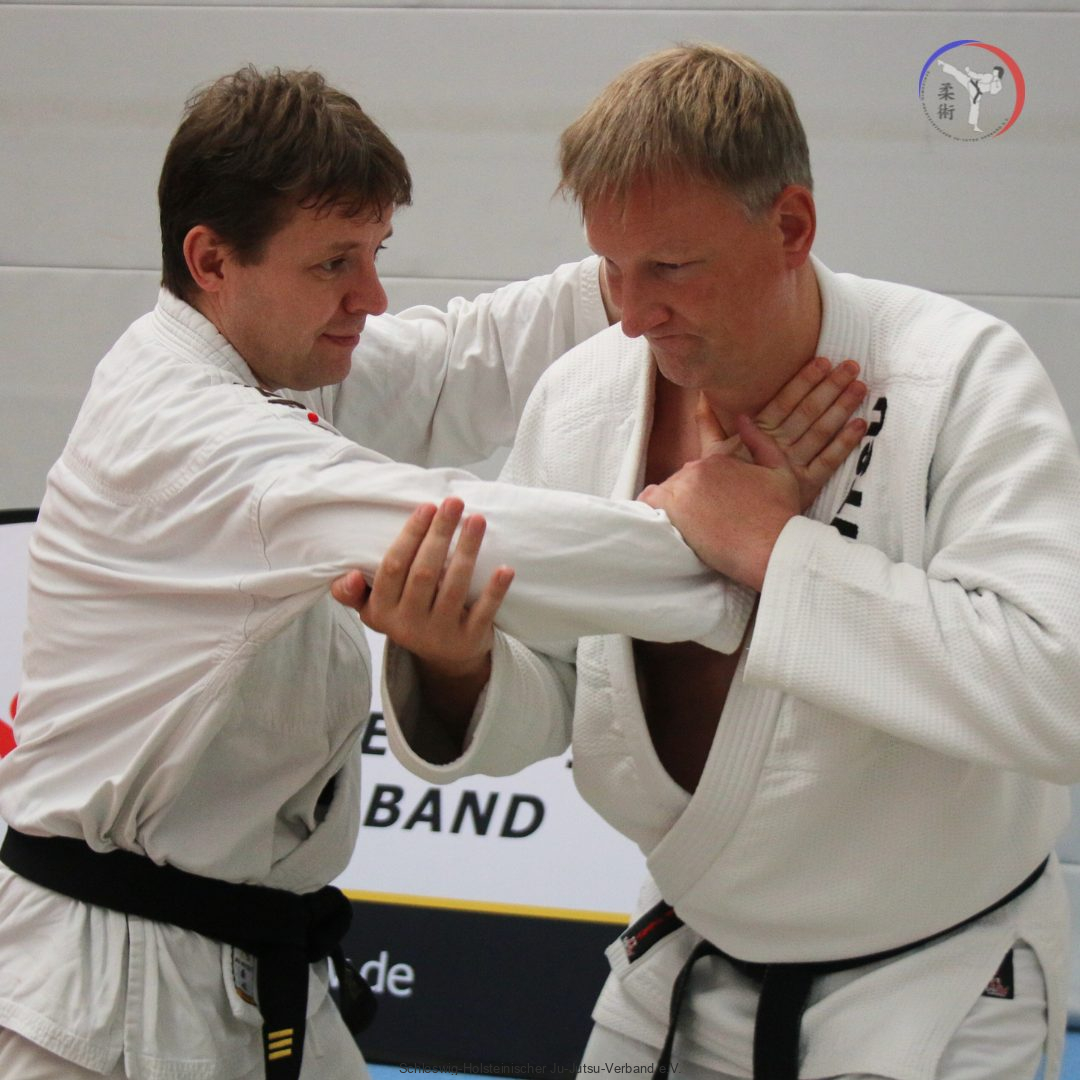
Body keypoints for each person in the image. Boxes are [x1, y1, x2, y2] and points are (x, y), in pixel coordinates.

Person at [0, 66, 865, 1080]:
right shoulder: (192, 435)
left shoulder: (267, 372)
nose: (370, 297)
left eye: (375, 254)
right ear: (212, 260)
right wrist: (734, 537)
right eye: (334, 264)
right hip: (108, 1005)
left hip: (233, 962)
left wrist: (645, 269)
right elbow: (474, 537)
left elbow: (461, 362)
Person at [359, 44, 1080, 1080]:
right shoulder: (583, 399)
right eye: (611, 267)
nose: (631, 311)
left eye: (670, 268)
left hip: (933, 982)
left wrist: (770, 547)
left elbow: (1056, 693)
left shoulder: (956, 376)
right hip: (689, 962)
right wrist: (455, 663)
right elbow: (558, 684)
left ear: (791, 226)